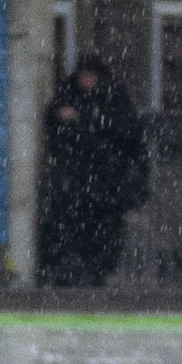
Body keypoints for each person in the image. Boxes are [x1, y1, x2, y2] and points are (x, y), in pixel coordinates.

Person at [35, 56, 148, 287]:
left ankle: (96, 271)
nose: (87, 80)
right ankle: (75, 271)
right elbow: (57, 122)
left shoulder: (112, 98)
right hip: (79, 179)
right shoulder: (69, 95)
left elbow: (126, 132)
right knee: (74, 226)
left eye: (91, 75)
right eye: (83, 75)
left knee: (104, 229)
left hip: (106, 179)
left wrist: (85, 121)